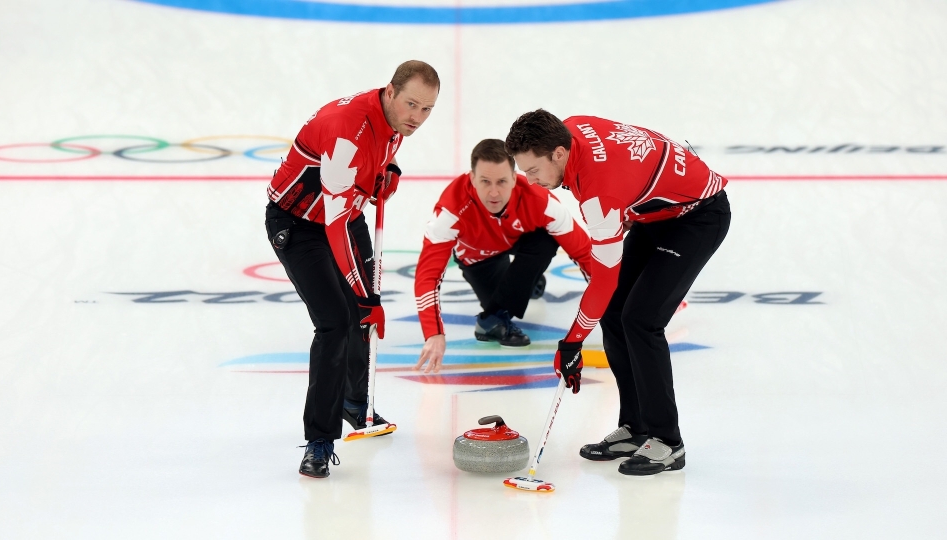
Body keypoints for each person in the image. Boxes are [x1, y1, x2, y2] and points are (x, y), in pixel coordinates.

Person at [505, 110, 731, 476]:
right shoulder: (570, 128)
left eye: (532, 170)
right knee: (613, 313)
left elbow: (603, 280)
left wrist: (573, 342)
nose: (529, 180)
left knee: (641, 320)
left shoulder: (599, 193)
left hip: (697, 219)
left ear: (558, 154)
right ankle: (636, 426)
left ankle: (667, 442)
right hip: (653, 214)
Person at [264, 60, 440, 478]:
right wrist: (365, 298)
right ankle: (319, 441)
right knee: (336, 320)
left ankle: (354, 402)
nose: (416, 117)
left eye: (427, 109)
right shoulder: (348, 131)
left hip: (343, 209)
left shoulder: (391, 116)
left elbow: (381, 154)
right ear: (390, 91)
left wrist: (388, 172)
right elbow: (334, 223)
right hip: (300, 223)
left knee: (359, 317)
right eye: (412, 104)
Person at [413, 139, 592, 373]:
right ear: (472, 178)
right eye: (485, 182)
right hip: (480, 257)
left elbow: (584, 253)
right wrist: (434, 333)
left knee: (546, 240)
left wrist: (612, 305)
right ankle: (529, 281)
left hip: (520, 240)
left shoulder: (541, 201)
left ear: (515, 179)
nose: (494, 192)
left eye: (502, 182)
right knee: (499, 306)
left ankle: (525, 282)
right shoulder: (450, 212)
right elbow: (427, 276)